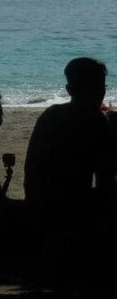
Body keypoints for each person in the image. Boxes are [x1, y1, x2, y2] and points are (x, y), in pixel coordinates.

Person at [24, 58, 116, 236]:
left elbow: (32, 169)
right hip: (75, 212)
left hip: (42, 206)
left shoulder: (50, 116)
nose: (101, 93)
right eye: (99, 87)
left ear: (69, 90)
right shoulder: (97, 122)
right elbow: (107, 178)